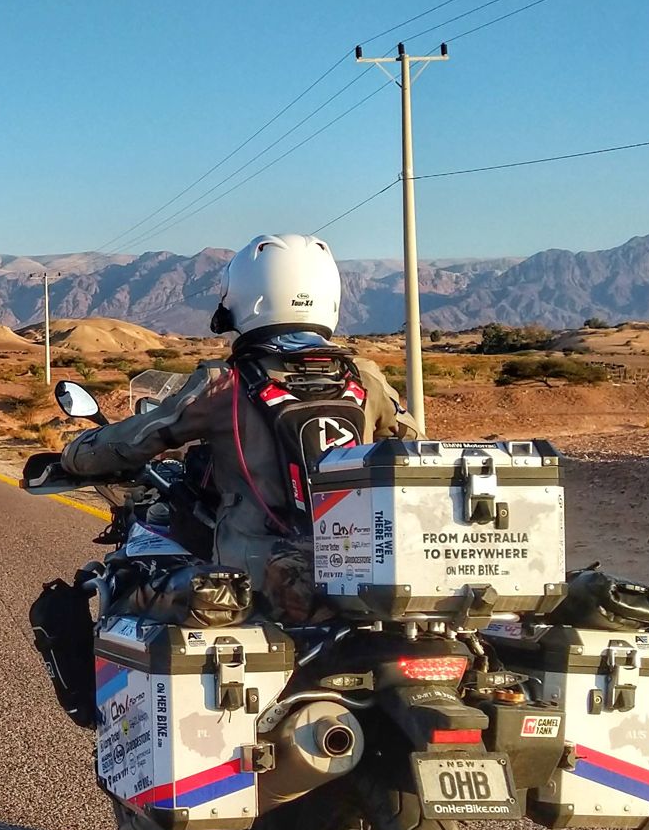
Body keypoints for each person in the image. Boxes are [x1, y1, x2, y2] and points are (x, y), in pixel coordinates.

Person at [61, 233, 410, 620]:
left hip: (254, 582)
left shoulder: (225, 383)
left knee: (130, 585)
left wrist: (76, 454)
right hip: (364, 579)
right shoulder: (365, 378)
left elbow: (139, 438)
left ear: (245, 297)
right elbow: (416, 453)